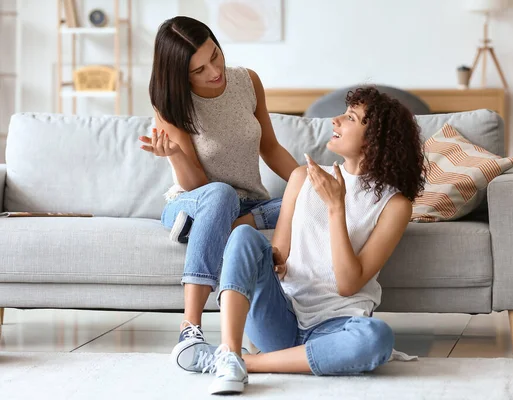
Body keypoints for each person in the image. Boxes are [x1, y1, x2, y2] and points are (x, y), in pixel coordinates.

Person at [179, 87, 426, 395]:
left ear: (374, 138)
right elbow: (280, 253)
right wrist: (265, 261)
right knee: (243, 235)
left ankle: (244, 362)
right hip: (282, 318)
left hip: (338, 327)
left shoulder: (395, 205)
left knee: (377, 337)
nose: (335, 120)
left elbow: (348, 285)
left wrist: (337, 207)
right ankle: (230, 354)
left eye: (350, 118)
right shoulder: (301, 177)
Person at [138, 16, 299, 370]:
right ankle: (190, 328)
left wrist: (305, 181)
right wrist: (176, 154)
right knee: (221, 194)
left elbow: (270, 147)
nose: (214, 71)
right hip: (191, 201)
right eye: (199, 69)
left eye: (215, 55)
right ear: (180, 74)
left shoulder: (247, 81)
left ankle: (222, 227)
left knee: (297, 200)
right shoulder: (170, 101)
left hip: (251, 202)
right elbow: (197, 183)